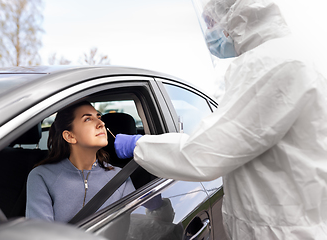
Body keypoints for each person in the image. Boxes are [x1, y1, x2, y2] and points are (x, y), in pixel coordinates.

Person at [114, 0, 327, 239]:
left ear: (237, 15)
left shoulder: (271, 64)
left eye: (210, 22)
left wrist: (138, 145)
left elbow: (205, 152)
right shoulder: (283, 56)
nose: (209, 32)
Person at [26, 101, 135, 222]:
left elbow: (136, 227)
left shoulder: (120, 177)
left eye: (99, 117)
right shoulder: (42, 176)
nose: (101, 123)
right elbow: (41, 233)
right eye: (88, 119)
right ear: (70, 136)